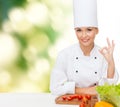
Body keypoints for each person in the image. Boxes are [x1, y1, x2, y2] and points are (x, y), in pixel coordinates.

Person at [50, 0, 119, 96]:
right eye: (79, 30)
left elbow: (109, 87)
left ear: (96, 31)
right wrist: (87, 91)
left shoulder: (104, 55)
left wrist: (111, 62)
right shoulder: (64, 55)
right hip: (71, 103)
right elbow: (55, 88)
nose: (84, 35)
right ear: (75, 31)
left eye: (89, 30)